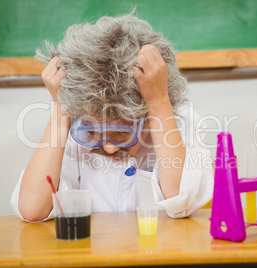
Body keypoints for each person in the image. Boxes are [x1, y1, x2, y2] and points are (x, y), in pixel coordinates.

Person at [11, 12, 213, 222]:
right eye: (90, 132)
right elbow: (32, 209)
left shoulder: (179, 120)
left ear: (148, 114)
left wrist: (159, 102)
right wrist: (62, 107)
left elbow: (180, 201)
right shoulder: (75, 123)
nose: (108, 148)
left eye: (121, 132)